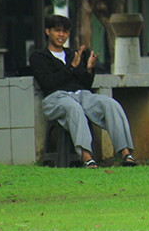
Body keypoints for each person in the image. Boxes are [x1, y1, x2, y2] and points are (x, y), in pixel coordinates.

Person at [29, 14, 138, 168]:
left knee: (110, 104)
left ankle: (126, 154)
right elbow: (49, 83)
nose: (61, 35)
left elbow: (84, 83)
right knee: (74, 108)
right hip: (55, 98)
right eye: (57, 31)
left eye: (65, 32)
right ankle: (86, 157)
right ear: (48, 32)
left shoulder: (73, 54)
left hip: (80, 95)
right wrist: (71, 67)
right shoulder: (38, 56)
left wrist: (88, 69)